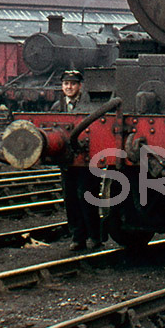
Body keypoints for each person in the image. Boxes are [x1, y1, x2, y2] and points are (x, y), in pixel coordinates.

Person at [51, 70, 103, 251]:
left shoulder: (90, 106)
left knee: (87, 197)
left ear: (80, 86)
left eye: (72, 84)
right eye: (66, 84)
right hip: (67, 162)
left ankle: (95, 236)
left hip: (87, 162)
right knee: (70, 199)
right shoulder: (57, 107)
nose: (69, 87)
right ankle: (77, 237)